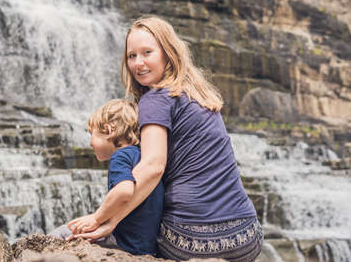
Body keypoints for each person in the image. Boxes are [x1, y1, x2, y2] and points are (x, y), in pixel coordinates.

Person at [70, 16, 263, 261]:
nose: (138, 63)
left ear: (167, 52)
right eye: (132, 56)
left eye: (147, 52)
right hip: (246, 236)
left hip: (192, 242)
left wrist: (103, 219)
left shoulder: (155, 99)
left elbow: (153, 167)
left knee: (70, 234)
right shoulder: (199, 96)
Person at [54, 99, 164, 256]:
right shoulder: (144, 156)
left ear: (109, 129)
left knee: (61, 234)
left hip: (123, 242)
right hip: (146, 245)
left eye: (92, 133)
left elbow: (124, 190)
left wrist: (96, 219)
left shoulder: (119, 157)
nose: (90, 143)